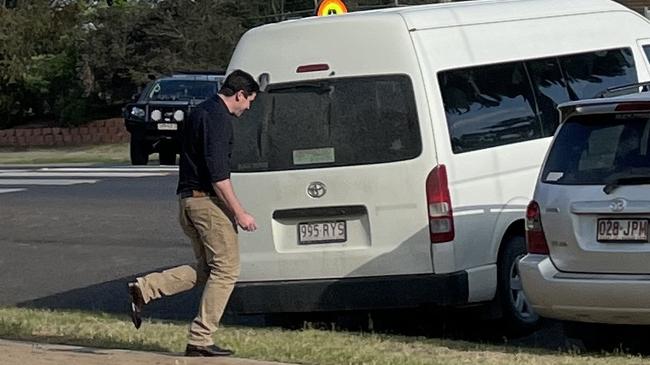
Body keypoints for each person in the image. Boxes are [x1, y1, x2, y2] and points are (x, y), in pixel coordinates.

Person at [128, 70, 259, 357]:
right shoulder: (218, 119)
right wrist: (240, 213)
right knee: (227, 270)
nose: (248, 107)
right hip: (206, 203)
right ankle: (201, 339)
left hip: (187, 201)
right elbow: (218, 174)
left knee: (208, 270)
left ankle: (144, 289)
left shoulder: (200, 112)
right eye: (249, 100)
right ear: (239, 94)